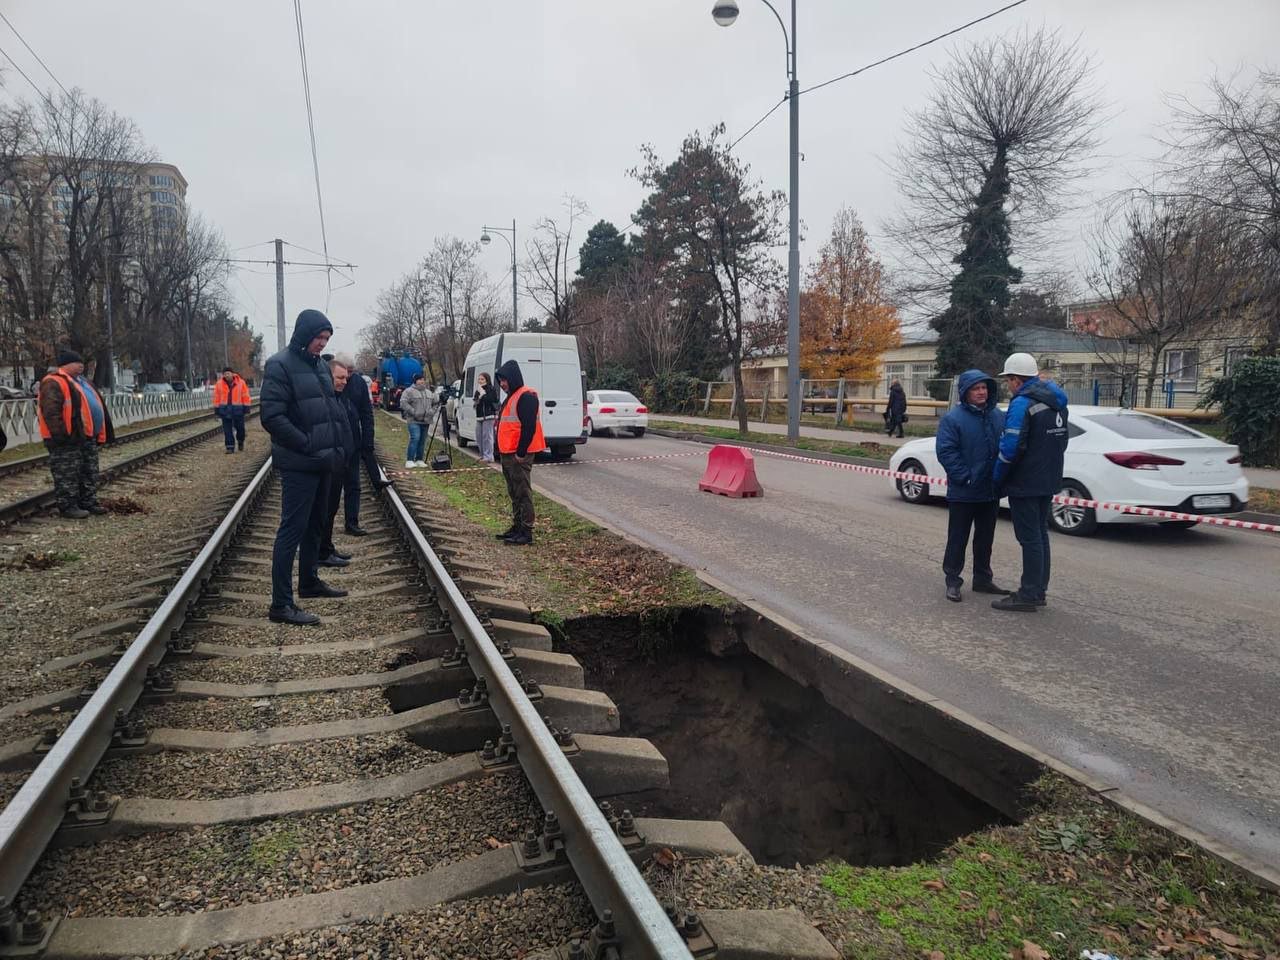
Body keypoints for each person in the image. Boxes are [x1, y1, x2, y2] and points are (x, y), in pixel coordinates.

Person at [259, 309, 350, 626]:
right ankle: (280, 604)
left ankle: (309, 582)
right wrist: (306, 443)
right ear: (304, 334)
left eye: (326, 339)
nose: (322, 343)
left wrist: (337, 449)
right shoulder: (279, 365)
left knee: (316, 525)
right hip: (300, 463)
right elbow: (272, 417)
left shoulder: (321, 368)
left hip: (324, 461)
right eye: (318, 338)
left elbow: (330, 410)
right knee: (291, 531)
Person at [990, 352, 1069, 613]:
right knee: (1040, 536)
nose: (1008, 386)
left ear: (1016, 379)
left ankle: (1029, 594)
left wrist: (997, 477)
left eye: (1008, 380)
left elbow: (1010, 447)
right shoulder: (1057, 401)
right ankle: (1038, 589)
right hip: (1049, 477)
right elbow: (1062, 441)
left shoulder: (1022, 402)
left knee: (1029, 539)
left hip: (1025, 480)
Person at [936, 370, 1009, 603]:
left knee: (985, 538)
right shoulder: (953, 419)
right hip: (964, 491)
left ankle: (983, 579)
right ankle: (953, 580)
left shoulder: (997, 416)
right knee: (958, 538)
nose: (981, 392)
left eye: (984, 388)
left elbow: (1005, 446)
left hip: (990, 491)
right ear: (966, 392)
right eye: (976, 388)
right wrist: (964, 477)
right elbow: (946, 451)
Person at [37, 349, 115, 519]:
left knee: (89, 471)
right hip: (66, 439)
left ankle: (88, 502)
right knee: (67, 473)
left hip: (86, 437)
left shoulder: (83, 382)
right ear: (66, 364)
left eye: (81, 363)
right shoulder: (53, 382)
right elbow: (51, 412)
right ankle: (68, 506)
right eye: (76, 362)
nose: (81, 365)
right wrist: (61, 436)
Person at [494, 359, 545, 546]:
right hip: (508, 453)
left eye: (504, 380)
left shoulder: (526, 396)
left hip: (518, 454)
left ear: (513, 378)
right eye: (500, 381)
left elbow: (528, 427)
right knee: (514, 492)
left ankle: (526, 531)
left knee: (523, 492)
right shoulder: (512, 396)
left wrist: (521, 452)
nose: (502, 384)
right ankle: (517, 527)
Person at [332, 355, 383, 532]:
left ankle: (352, 523)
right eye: (344, 375)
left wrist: (367, 440)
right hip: (333, 445)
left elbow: (366, 413)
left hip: (353, 440)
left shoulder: (359, 383)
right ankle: (325, 533)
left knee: (354, 485)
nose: (347, 378)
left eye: (350, 373)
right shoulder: (325, 384)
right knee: (331, 489)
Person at [319, 358, 357, 567]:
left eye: (346, 378)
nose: (344, 381)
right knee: (325, 510)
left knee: (332, 508)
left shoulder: (338, 397)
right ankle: (322, 553)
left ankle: (327, 548)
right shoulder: (326, 398)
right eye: (340, 377)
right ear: (329, 376)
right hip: (331, 463)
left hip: (340, 462)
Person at [213, 366, 251, 454]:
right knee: (227, 430)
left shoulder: (241, 383)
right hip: (225, 410)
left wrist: (247, 410)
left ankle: (240, 440)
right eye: (225, 374)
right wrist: (216, 412)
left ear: (232, 374)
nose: (227, 375)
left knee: (240, 428)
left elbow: (245, 396)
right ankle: (230, 447)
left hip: (238, 410)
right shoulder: (219, 384)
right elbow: (216, 398)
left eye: (228, 373)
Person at [400, 373, 434, 467]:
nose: (422, 381)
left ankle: (419, 459)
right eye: (419, 379)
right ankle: (409, 460)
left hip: (426, 420)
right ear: (415, 381)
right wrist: (413, 411)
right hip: (413, 420)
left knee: (422, 440)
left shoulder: (428, 392)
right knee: (415, 438)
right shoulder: (409, 391)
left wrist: (432, 412)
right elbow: (403, 402)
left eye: (423, 379)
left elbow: (435, 402)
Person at [474, 371, 499, 462]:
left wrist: (483, 394)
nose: (480, 381)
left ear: (487, 380)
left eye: (482, 379)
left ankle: (489, 456)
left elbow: (490, 400)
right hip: (479, 416)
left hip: (489, 416)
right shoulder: (478, 390)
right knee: (479, 436)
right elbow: (476, 402)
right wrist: (478, 398)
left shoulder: (491, 389)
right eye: (479, 379)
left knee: (487, 436)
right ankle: (482, 454)